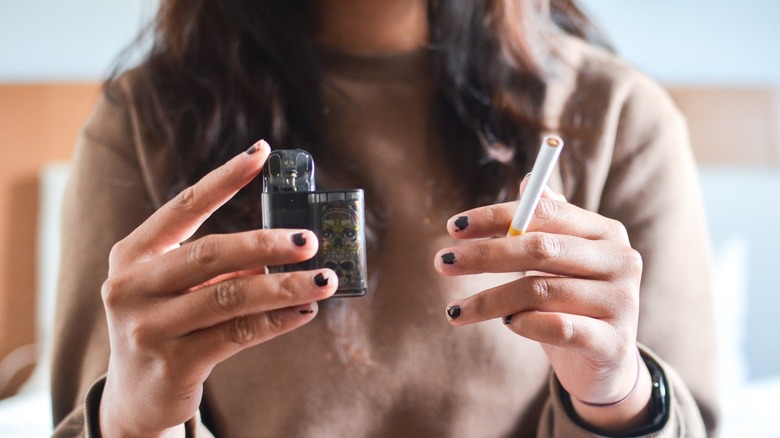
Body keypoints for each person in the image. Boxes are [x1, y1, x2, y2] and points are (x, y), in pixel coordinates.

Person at [50, 0, 719, 436]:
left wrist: (616, 394)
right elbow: (90, 415)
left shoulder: (618, 117)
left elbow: (696, 421)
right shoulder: (143, 120)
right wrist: (136, 422)